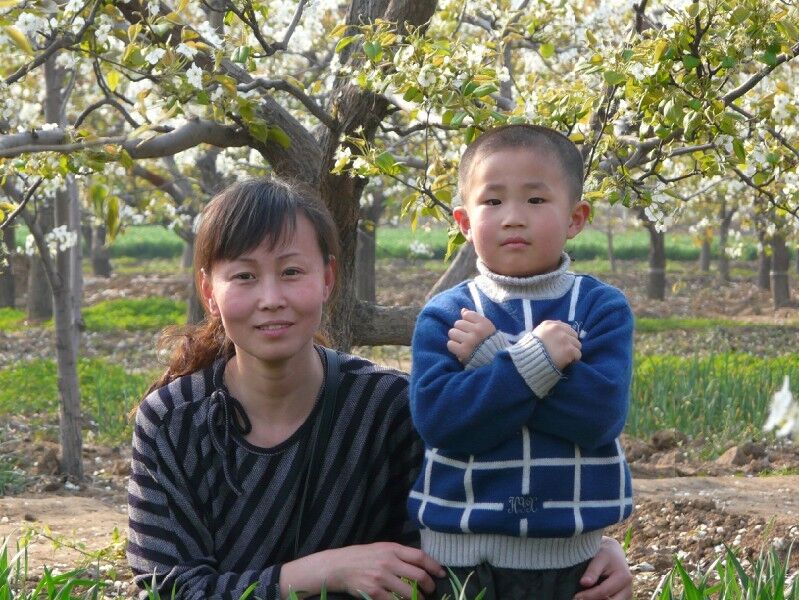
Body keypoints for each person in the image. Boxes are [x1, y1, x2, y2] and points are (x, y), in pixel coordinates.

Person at [127, 177, 633, 600]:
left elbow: (466, 514)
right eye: (243, 276)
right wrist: (319, 572)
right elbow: (167, 588)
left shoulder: (386, 406)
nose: (271, 298)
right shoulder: (173, 419)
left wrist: (584, 552)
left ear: (328, 279)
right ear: (208, 292)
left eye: (292, 271)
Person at [408, 124, 635, 599]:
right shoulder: (448, 315)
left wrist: (492, 357)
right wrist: (535, 360)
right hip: (458, 562)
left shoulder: (600, 308)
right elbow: (443, 422)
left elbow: (598, 417)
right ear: (464, 222)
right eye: (492, 201)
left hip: (571, 564)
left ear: (575, 218)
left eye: (535, 200)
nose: (513, 218)